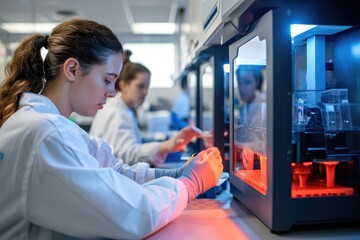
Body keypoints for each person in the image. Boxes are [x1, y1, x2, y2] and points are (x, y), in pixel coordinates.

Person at [0, 19, 223, 239]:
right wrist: (189, 184)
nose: (112, 92)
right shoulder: (46, 133)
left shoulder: (48, 123)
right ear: (72, 69)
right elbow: (129, 215)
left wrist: (172, 174)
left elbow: (111, 171)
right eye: (107, 80)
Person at [90, 60, 202, 166]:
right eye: (140, 86)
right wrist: (166, 145)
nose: (145, 92)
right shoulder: (117, 113)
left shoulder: (122, 107)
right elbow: (127, 156)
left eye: (147, 87)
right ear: (124, 86)